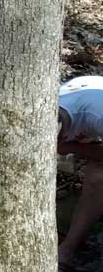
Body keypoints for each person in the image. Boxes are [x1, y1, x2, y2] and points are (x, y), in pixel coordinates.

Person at [56, 76, 103, 271]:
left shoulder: (96, 115)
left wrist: (68, 147)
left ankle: (67, 250)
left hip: (92, 115)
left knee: (98, 176)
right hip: (84, 93)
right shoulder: (46, 111)